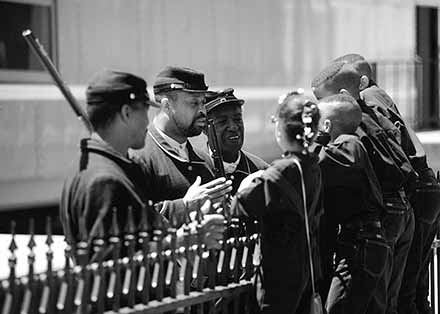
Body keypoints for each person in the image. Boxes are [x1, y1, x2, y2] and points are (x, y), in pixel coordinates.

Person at [60, 69, 226, 260]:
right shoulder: (104, 180)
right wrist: (186, 240)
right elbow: (112, 268)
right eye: (144, 111)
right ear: (126, 113)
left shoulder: (98, 168)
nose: (148, 121)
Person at [334, 53, 440, 314]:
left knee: (400, 293)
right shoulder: (380, 97)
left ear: (359, 82)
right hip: (420, 190)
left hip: (407, 194)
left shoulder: (368, 101)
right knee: (412, 289)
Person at [311, 61, 416, 314]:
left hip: (378, 220)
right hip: (401, 208)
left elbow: (319, 164)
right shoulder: (375, 115)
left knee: (373, 301)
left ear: (344, 97)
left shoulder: (347, 134)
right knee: (389, 298)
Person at [236, 91, 323, 313]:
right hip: (308, 265)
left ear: (282, 128)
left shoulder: (283, 169)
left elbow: (242, 205)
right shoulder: (312, 165)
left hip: (281, 269)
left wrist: (248, 183)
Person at [132, 66, 232, 227]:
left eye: (203, 103)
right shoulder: (138, 157)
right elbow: (133, 219)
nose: (202, 111)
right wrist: (184, 206)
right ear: (166, 105)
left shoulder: (205, 161)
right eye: (193, 103)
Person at [317, 94, 390, 314]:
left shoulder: (348, 143)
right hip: (367, 243)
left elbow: (313, 163)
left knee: (339, 308)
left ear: (327, 125)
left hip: (361, 244)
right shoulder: (351, 145)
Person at [204, 88, 268, 194]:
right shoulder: (196, 170)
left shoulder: (261, 171)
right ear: (205, 128)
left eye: (237, 119)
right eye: (222, 121)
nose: (233, 127)